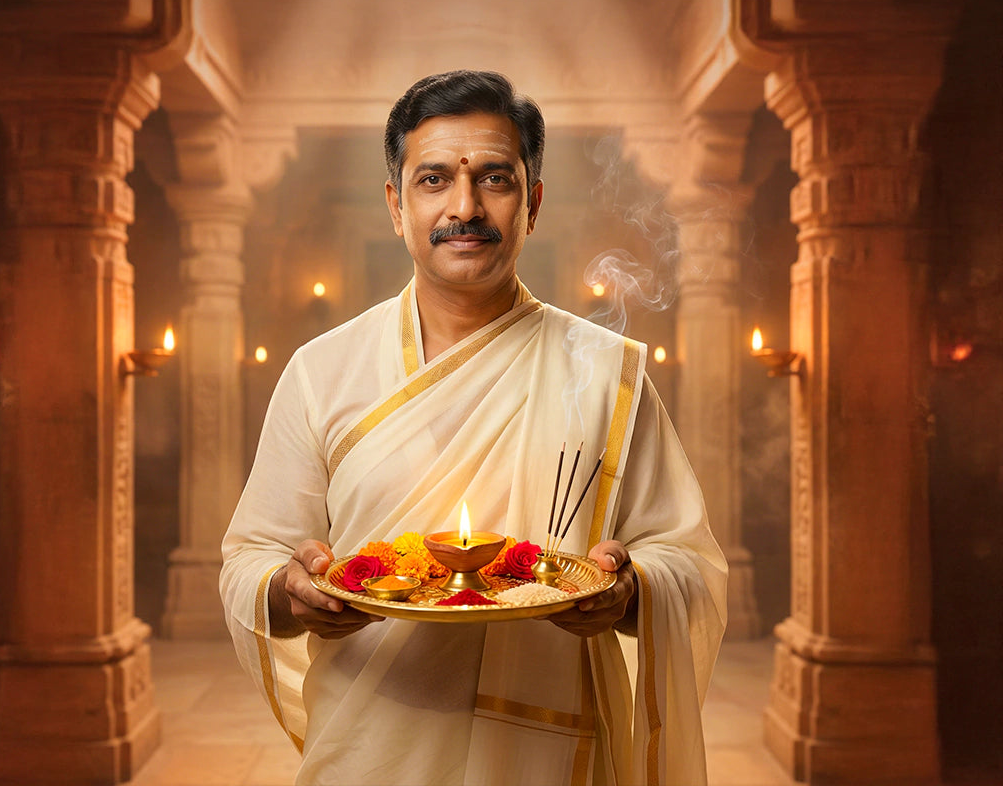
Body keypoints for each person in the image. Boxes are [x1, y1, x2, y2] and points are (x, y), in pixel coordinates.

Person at [220, 71, 727, 785]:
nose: (465, 206)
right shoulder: (321, 370)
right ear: (396, 205)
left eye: (495, 178)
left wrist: (628, 590)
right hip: (372, 748)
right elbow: (250, 558)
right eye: (433, 180)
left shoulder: (602, 369)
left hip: (551, 754)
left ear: (534, 203)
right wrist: (292, 592)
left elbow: (692, 568)